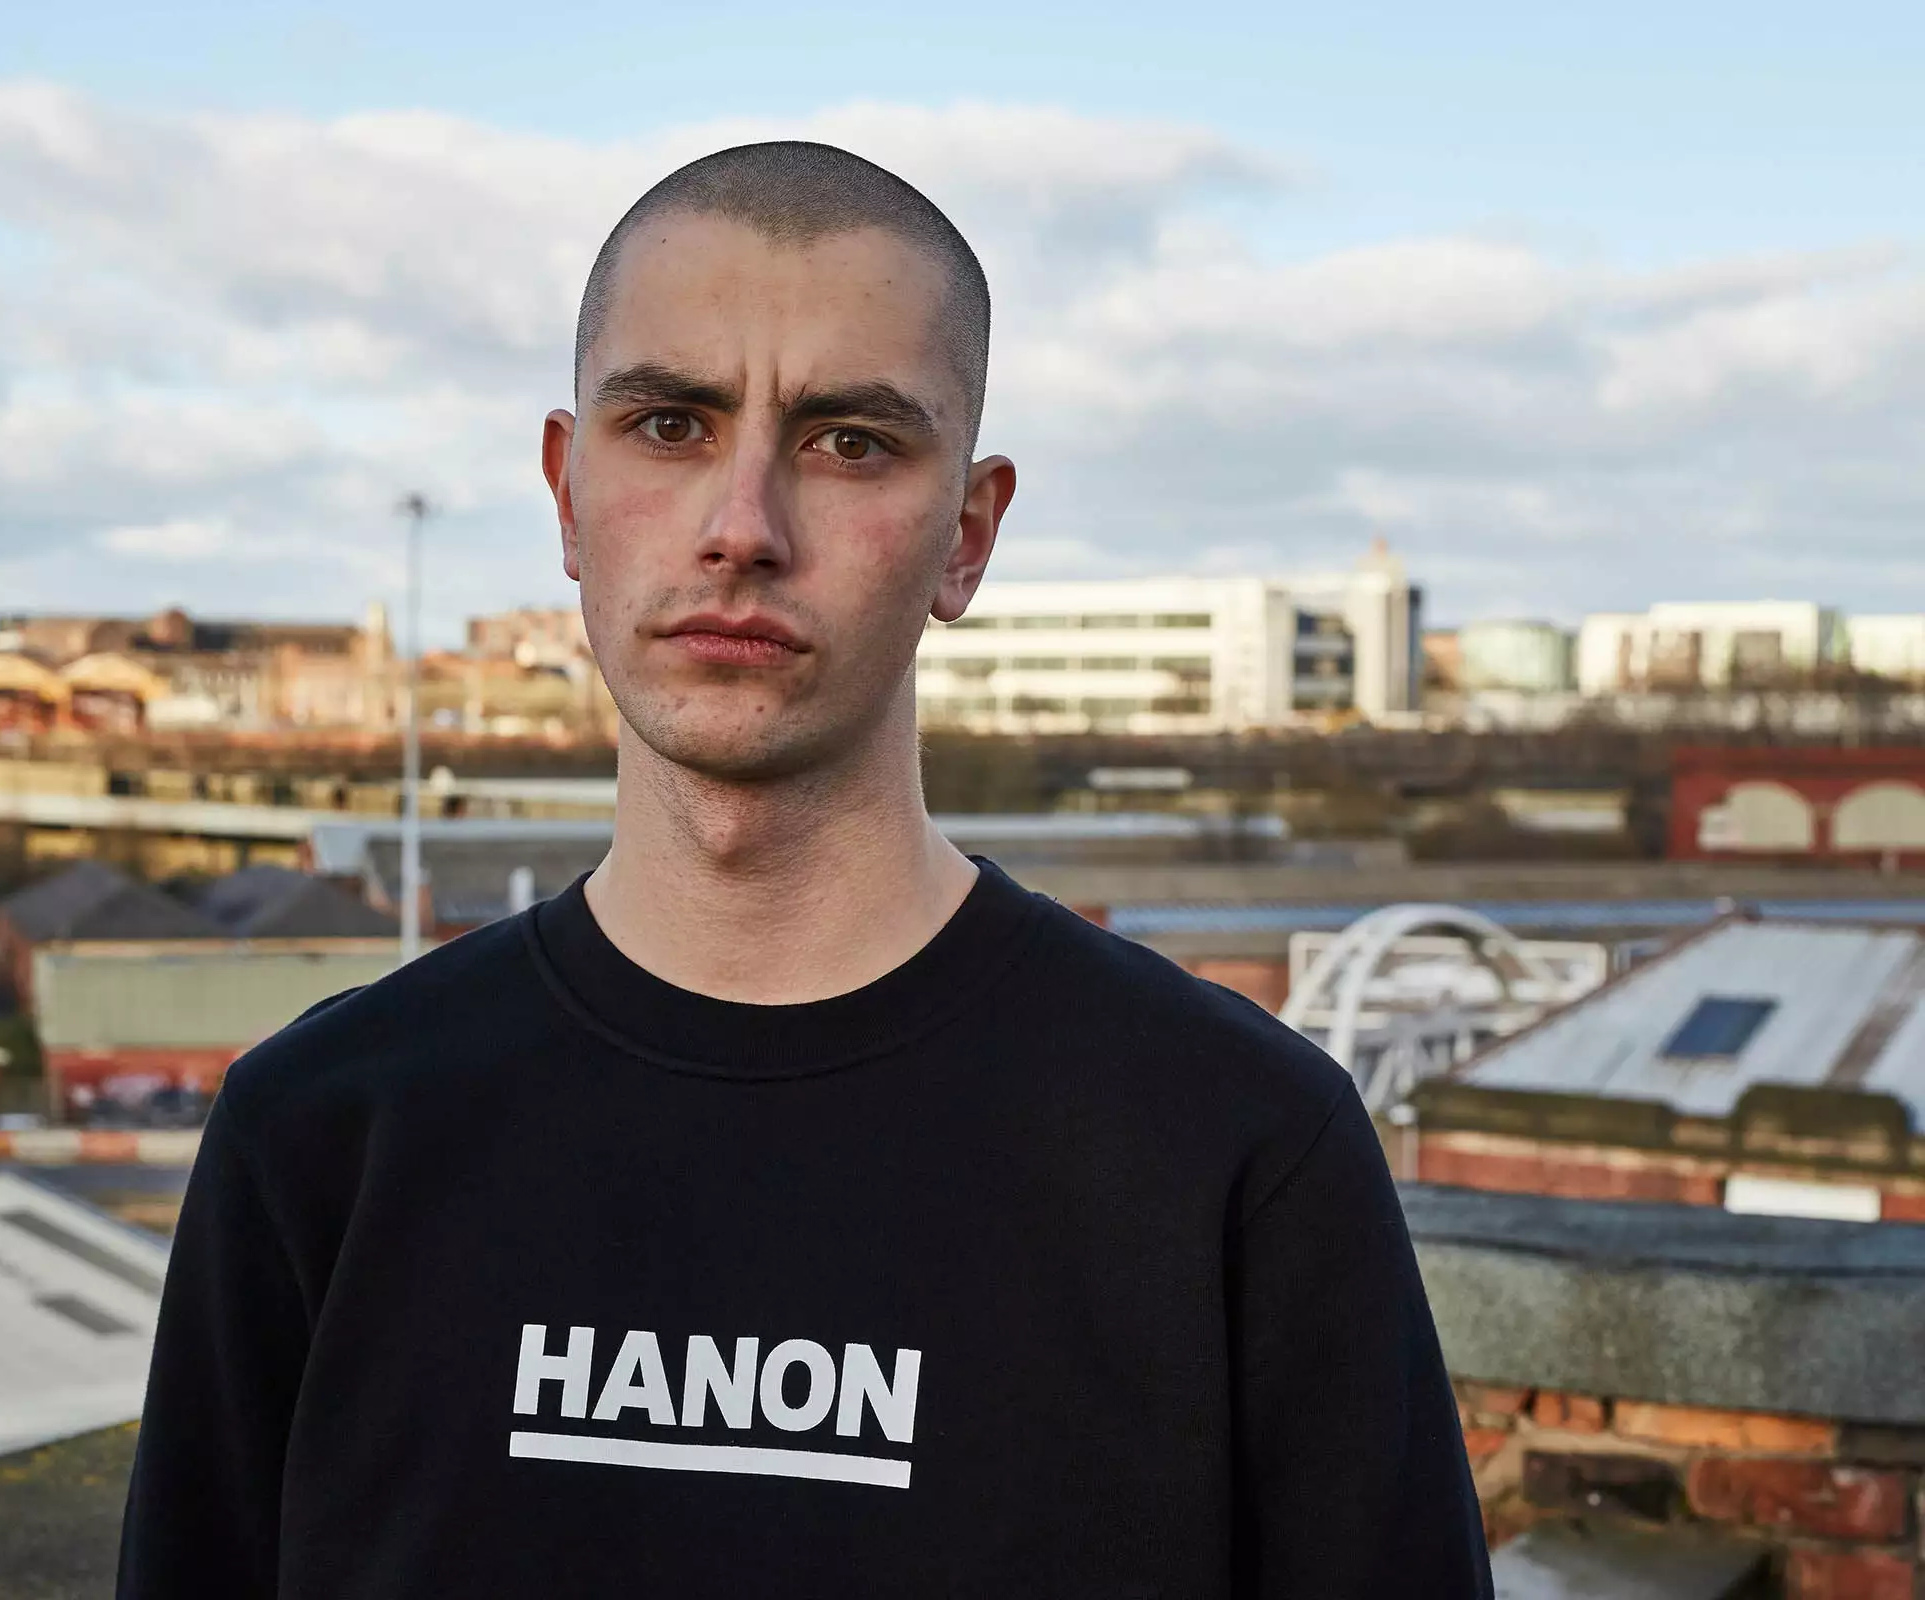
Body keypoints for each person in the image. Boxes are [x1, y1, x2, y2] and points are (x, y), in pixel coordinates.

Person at [118, 141, 1491, 1598]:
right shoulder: (321, 1137)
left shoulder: (1237, 1153)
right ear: (567, 493)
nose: (743, 530)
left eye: (849, 443)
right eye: (670, 424)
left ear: (967, 537)